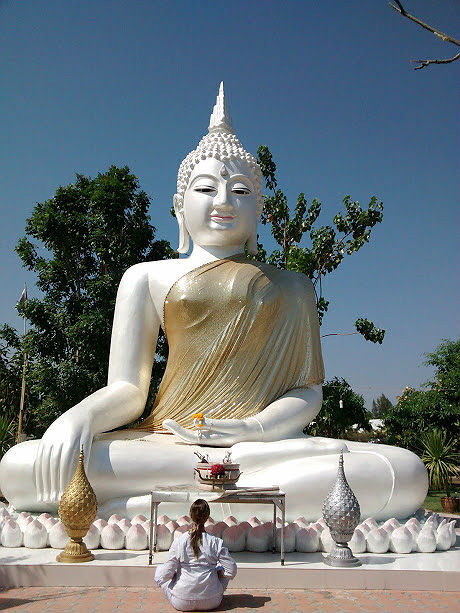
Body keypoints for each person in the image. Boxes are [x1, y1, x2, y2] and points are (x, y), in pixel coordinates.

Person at [0, 82, 427, 522]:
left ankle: (153, 507)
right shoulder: (146, 277)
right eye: (206, 189)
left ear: (258, 209)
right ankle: (236, 506)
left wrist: (249, 430)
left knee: (406, 471)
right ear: (178, 206)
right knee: (20, 468)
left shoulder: (293, 286)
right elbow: (128, 389)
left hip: (260, 448)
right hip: (168, 443)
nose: (224, 202)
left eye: (241, 191)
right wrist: (79, 418)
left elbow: (307, 392)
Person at [155, 499, 237, 611]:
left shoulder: (180, 541)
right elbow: (231, 571)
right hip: (212, 600)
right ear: (208, 516)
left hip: (182, 601)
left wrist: (174, 575)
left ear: (190, 516)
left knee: (159, 570)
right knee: (222, 568)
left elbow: (165, 575)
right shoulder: (216, 542)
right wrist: (219, 573)